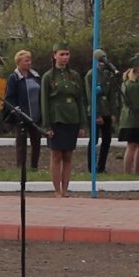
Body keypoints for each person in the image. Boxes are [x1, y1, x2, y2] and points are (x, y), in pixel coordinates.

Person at [41, 47, 84, 198]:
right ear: (54, 56)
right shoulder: (48, 76)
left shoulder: (74, 75)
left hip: (72, 118)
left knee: (68, 155)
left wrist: (82, 123)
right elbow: (44, 102)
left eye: (67, 54)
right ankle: (57, 190)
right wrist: (47, 125)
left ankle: (65, 189)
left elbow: (80, 100)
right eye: (62, 54)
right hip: (56, 118)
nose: (65, 57)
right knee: (56, 155)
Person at [4, 49, 45, 172]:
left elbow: (41, 93)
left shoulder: (36, 76)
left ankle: (34, 166)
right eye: (26, 61)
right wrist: (17, 112)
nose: (29, 63)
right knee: (21, 143)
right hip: (22, 115)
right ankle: (21, 166)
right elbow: (9, 98)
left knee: (36, 142)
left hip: (36, 114)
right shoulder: (14, 78)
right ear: (19, 62)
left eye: (29, 60)